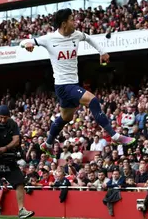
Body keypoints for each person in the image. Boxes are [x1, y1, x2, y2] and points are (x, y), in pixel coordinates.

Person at [20, 8, 135, 154]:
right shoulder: (49, 39)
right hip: (62, 85)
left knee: (66, 117)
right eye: (72, 19)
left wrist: (102, 52)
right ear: (64, 23)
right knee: (93, 101)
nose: (75, 22)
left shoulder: (76, 35)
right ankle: (115, 135)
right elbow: (23, 42)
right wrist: (27, 45)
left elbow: (89, 38)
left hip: (73, 84)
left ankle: (48, 144)